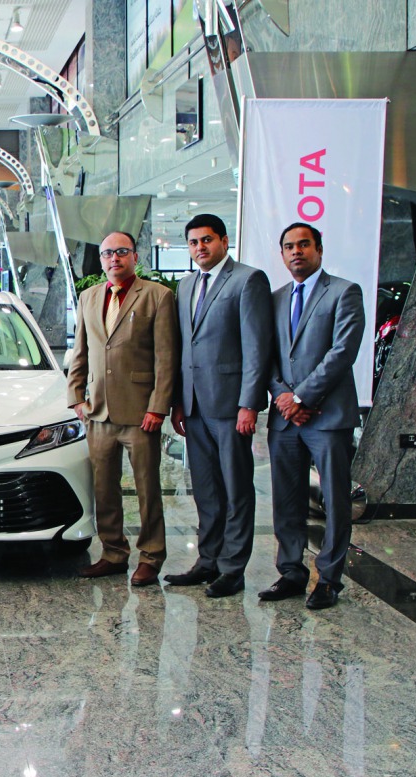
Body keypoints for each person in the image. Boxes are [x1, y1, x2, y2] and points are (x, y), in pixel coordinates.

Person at [166, 214, 273, 598]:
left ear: (224, 241)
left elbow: (257, 348)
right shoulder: (186, 284)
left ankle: (232, 568)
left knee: (236, 488)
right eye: (193, 243)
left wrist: (249, 404)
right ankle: (208, 560)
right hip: (194, 406)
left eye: (207, 240)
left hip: (230, 407)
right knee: (206, 490)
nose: (200, 249)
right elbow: (183, 347)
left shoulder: (247, 280)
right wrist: (178, 402)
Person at [261, 223, 364, 610]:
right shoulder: (274, 299)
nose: (295, 252)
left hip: (328, 417)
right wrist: (283, 395)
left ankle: (329, 579)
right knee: (287, 499)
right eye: (288, 247)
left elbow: (343, 351)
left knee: (335, 500)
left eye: (303, 245)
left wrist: (302, 395)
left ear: (319, 249)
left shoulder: (343, 292)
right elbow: (265, 355)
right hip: (285, 419)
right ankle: (291, 571)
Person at [67, 232, 178, 587]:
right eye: (107, 253)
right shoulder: (88, 297)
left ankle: (151, 556)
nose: (114, 258)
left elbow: (166, 357)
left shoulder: (158, 296)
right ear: (101, 260)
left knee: (147, 489)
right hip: (98, 412)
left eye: (121, 252)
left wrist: (158, 407)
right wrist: (76, 397)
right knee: (104, 490)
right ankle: (113, 553)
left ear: (134, 255)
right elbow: (79, 351)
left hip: (140, 413)